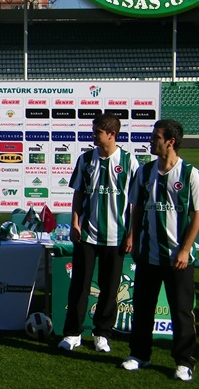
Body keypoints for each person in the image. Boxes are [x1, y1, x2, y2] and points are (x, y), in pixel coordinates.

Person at [121, 119, 199, 382]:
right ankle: (139, 354)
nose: (151, 140)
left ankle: (184, 361)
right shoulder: (144, 172)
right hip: (148, 254)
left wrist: (185, 249)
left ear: (170, 141)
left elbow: (197, 215)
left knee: (181, 311)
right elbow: (136, 208)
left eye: (156, 137)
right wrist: (134, 238)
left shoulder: (190, 173)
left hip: (178, 257)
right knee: (142, 307)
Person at [58, 113, 139, 353]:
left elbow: (136, 203)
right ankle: (72, 333)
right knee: (79, 286)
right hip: (87, 235)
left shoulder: (129, 161)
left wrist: (132, 235)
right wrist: (75, 222)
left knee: (110, 289)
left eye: (97, 132)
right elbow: (78, 193)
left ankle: (102, 333)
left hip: (116, 236)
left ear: (111, 134)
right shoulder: (85, 159)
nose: (93, 135)